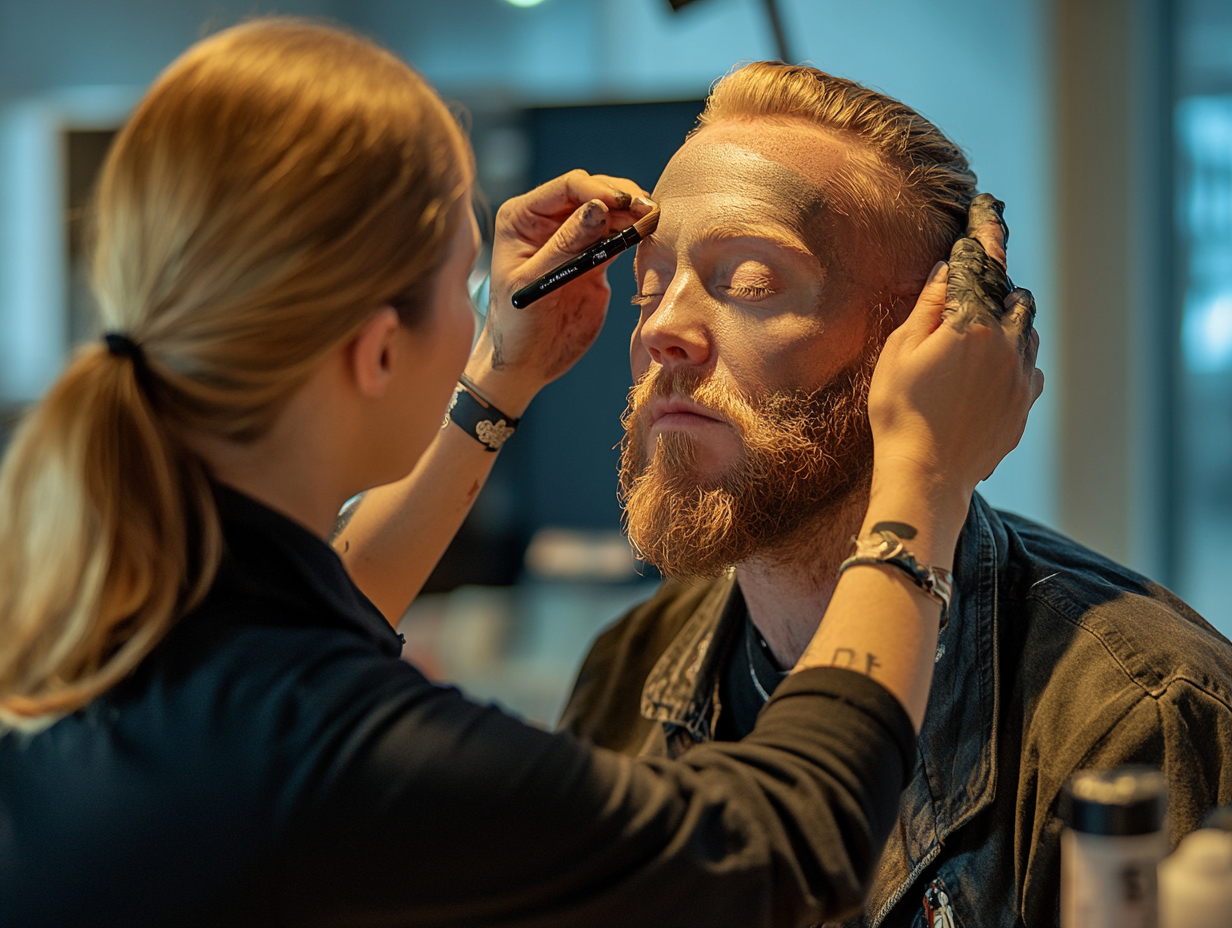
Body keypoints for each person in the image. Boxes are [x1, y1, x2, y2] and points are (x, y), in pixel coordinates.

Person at [0, 22, 1041, 928]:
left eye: (750, 281)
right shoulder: (331, 741)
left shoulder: (111, 626)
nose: (666, 327)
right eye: (462, 282)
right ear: (372, 352)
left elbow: (323, 603)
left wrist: (496, 381)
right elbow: (785, 844)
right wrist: (923, 477)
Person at [340, 63, 1232, 927]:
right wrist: (497, 372)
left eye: (752, 283)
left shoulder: (1138, 719)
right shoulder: (631, 672)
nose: (661, 332)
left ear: (934, 345)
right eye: (649, 287)